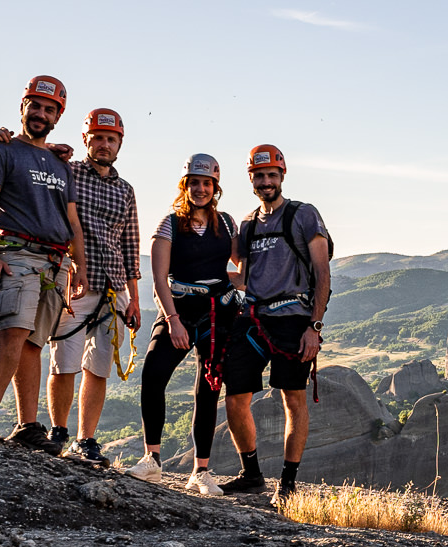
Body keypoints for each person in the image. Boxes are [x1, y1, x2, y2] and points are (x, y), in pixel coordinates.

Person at [0, 75, 84, 447]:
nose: (40, 113)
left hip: (55, 261)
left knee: (34, 341)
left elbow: (72, 219)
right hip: (17, 252)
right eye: (35, 106)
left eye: (49, 109)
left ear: (58, 116)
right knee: (12, 330)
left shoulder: (60, 163)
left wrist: (78, 264)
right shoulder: (0, 151)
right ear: (23, 107)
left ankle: (27, 424)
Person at [223, 143, 332, 501]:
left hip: (293, 321)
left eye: (272, 175)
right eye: (259, 176)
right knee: (235, 397)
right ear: (250, 179)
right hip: (254, 320)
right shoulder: (247, 225)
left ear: (282, 176)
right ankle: (252, 475)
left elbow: (321, 270)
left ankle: (287, 483)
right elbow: (243, 277)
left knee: (292, 399)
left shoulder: (303, 215)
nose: (266, 181)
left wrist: (314, 326)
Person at [130, 154, 241, 498]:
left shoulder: (226, 224)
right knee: (153, 375)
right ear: (185, 186)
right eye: (195, 182)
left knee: (207, 391)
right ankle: (152, 459)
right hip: (178, 311)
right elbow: (159, 280)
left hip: (215, 314)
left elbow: (239, 269)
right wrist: (173, 322)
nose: (201, 188)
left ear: (215, 187)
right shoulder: (169, 224)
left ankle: (201, 472)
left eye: (207, 183)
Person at [46, 108, 141, 465]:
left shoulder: (125, 191)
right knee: (63, 361)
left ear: (119, 144)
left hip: (113, 285)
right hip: (73, 283)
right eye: (98, 138)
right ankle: (58, 431)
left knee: (98, 367)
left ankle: (86, 439)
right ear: (86, 139)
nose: (104, 144)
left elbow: (130, 246)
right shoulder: (68, 173)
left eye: (110, 139)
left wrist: (132, 298)